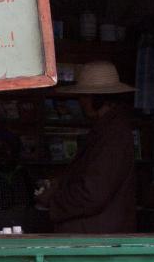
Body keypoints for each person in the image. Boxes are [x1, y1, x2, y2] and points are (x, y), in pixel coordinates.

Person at [36, 61, 137, 233]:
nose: (80, 103)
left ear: (97, 98)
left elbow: (92, 194)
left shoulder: (114, 134)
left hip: (96, 236)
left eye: (83, 97)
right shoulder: (106, 129)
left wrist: (52, 200)